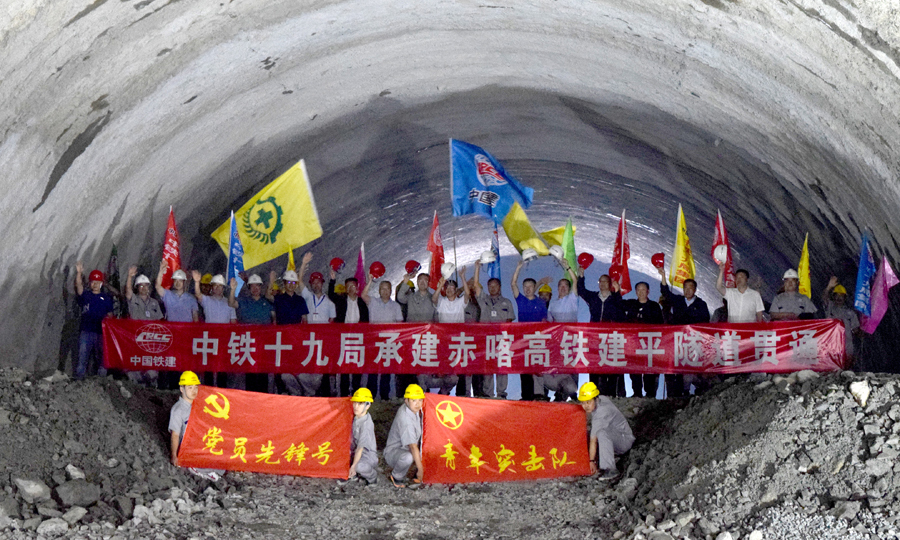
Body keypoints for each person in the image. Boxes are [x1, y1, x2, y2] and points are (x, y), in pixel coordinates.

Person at [657, 266, 710, 396]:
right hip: (678, 341)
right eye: (685, 288)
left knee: (690, 367)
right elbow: (665, 292)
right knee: (678, 367)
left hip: (694, 342)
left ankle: (692, 390)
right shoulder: (678, 301)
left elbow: (706, 322)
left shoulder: (701, 304)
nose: (687, 290)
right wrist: (663, 276)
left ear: (695, 290)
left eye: (690, 288)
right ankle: (679, 393)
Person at [420, 269, 469, 395]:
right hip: (442, 341)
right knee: (433, 367)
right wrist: (441, 284)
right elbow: (434, 299)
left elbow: (467, 295)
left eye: (452, 288)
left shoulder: (460, 302)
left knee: (454, 372)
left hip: (457, 342)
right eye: (448, 288)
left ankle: (444, 392)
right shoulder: (442, 301)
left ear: (456, 290)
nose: (450, 290)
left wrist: (462, 277)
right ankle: (426, 393)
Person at [578, 269, 626, 396]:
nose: (603, 284)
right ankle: (593, 393)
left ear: (610, 283)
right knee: (593, 364)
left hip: (610, 338)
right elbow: (581, 290)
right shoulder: (593, 297)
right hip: (594, 337)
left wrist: (617, 292)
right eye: (601, 281)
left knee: (609, 365)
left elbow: (621, 314)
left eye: (606, 281)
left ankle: (610, 394)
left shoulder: (615, 298)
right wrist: (581, 276)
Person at [168, 371, 223, 481]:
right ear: (182, 389)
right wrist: (174, 456)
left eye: (195, 387)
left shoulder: (199, 405)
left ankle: (211, 471)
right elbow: (175, 434)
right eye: (190, 388)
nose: (194, 391)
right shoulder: (178, 410)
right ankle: (200, 471)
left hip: (200, 444)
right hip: (188, 448)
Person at [473, 261, 516, 398]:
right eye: (490, 286)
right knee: (488, 367)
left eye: (495, 286)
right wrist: (477, 268)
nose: (492, 288)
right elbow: (475, 285)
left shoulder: (507, 302)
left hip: (502, 339)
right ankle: (488, 394)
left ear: (500, 287)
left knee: (502, 367)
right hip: (486, 339)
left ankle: (501, 393)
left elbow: (510, 320)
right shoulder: (483, 299)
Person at [578, 382, 634, 481]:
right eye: (583, 402)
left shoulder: (602, 412)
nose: (585, 406)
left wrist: (591, 461)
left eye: (588, 402)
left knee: (600, 432)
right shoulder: (601, 399)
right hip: (619, 435)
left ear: (595, 399)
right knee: (596, 430)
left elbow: (593, 440)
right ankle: (604, 459)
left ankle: (610, 469)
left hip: (625, 441)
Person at [228, 274, 274, 393]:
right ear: (249, 288)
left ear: (261, 287)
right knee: (250, 374)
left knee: (263, 372)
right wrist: (233, 289)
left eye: (257, 286)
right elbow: (231, 303)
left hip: (264, 343)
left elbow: (275, 320)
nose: (255, 289)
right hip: (249, 343)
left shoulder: (267, 302)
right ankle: (251, 398)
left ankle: (263, 397)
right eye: (252, 286)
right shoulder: (244, 301)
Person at [362, 274, 404, 400]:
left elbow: (400, 324)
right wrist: (369, 281)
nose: (385, 291)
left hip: (389, 342)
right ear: (379, 290)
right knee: (373, 370)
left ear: (391, 291)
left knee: (386, 370)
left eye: (387, 289)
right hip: (374, 341)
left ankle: (385, 396)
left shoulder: (395, 306)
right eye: (382, 289)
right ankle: (371, 396)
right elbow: (363, 295)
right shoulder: (373, 302)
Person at [511, 260, 548, 401]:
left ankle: (539, 395)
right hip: (523, 339)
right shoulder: (520, 300)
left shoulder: (541, 302)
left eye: (530, 286)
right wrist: (518, 267)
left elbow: (544, 321)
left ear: (534, 288)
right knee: (524, 368)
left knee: (538, 367)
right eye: (525, 287)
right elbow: (513, 284)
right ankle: (525, 396)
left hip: (537, 340)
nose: (527, 289)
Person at [329, 268, 369, 396]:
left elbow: (366, 322)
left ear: (357, 288)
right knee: (344, 367)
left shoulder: (362, 303)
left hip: (358, 339)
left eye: (354, 286)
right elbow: (330, 294)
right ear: (345, 289)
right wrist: (332, 280)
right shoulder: (340, 301)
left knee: (357, 367)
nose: (351, 288)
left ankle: (356, 392)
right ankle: (344, 393)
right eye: (349, 286)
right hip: (343, 339)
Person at [192, 271, 236, 387]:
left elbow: (233, 322)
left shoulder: (229, 303)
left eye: (219, 286)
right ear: (212, 287)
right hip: (209, 340)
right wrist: (197, 282)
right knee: (208, 368)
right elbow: (198, 295)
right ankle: (208, 391)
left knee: (222, 369)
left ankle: (222, 392)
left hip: (223, 340)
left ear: (223, 288)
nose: (217, 288)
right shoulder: (207, 300)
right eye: (215, 285)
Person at [73, 262, 115, 380]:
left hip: (101, 333)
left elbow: (110, 315)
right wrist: (79, 273)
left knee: (102, 359)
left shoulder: (106, 299)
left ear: (101, 284)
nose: (95, 284)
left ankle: (101, 382)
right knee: (82, 359)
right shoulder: (86, 295)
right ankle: (79, 381)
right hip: (86, 331)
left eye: (98, 282)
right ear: (90, 283)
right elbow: (79, 287)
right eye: (93, 282)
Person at [624, 281, 665, 398]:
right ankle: (637, 393)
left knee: (650, 370)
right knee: (634, 370)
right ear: (635, 292)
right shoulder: (632, 305)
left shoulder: (654, 306)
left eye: (643, 290)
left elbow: (660, 325)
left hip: (650, 344)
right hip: (634, 344)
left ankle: (650, 394)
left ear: (648, 291)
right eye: (638, 290)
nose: (641, 292)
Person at [397, 272, 435, 394]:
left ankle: (424, 391)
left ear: (428, 283)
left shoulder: (433, 298)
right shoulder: (411, 296)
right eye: (420, 280)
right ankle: (408, 392)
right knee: (411, 364)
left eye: (425, 280)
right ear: (417, 283)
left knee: (424, 366)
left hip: (427, 338)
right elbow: (400, 297)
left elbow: (437, 317)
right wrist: (405, 281)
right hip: (411, 338)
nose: (423, 283)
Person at [125, 266, 164, 385]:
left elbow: (159, 321)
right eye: (141, 285)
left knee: (151, 370)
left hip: (150, 341)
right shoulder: (133, 300)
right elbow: (128, 292)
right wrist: (129, 277)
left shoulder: (154, 303)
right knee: (136, 368)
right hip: (135, 338)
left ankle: (152, 389)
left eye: (145, 285)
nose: (143, 288)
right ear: (137, 288)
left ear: (149, 287)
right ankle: (137, 391)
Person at [385, 384, 425, 488]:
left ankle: (414, 469)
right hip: (395, 452)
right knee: (408, 457)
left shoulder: (413, 409)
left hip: (407, 447)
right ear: (406, 401)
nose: (418, 404)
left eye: (420, 400)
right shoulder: (405, 418)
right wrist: (421, 470)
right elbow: (412, 446)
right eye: (414, 400)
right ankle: (397, 476)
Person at [341, 388, 378, 486]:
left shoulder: (366, 424)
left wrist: (353, 466)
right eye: (355, 403)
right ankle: (352, 474)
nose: (356, 406)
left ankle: (372, 476)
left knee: (359, 466)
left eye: (360, 403)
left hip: (367, 455)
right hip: (354, 451)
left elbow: (360, 448)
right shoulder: (354, 417)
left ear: (368, 406)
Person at [823, 277, 861, 361]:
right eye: (837, 295)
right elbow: (824, 298)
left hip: (847, 347)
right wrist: (829, 287)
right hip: (831, 347)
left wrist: (862, 332)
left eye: (841, 296)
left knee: (846, 370)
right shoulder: (830, 308)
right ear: (833, 296)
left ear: (845, 298)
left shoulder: (850, 313)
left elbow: (855, 330)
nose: (839, 298)